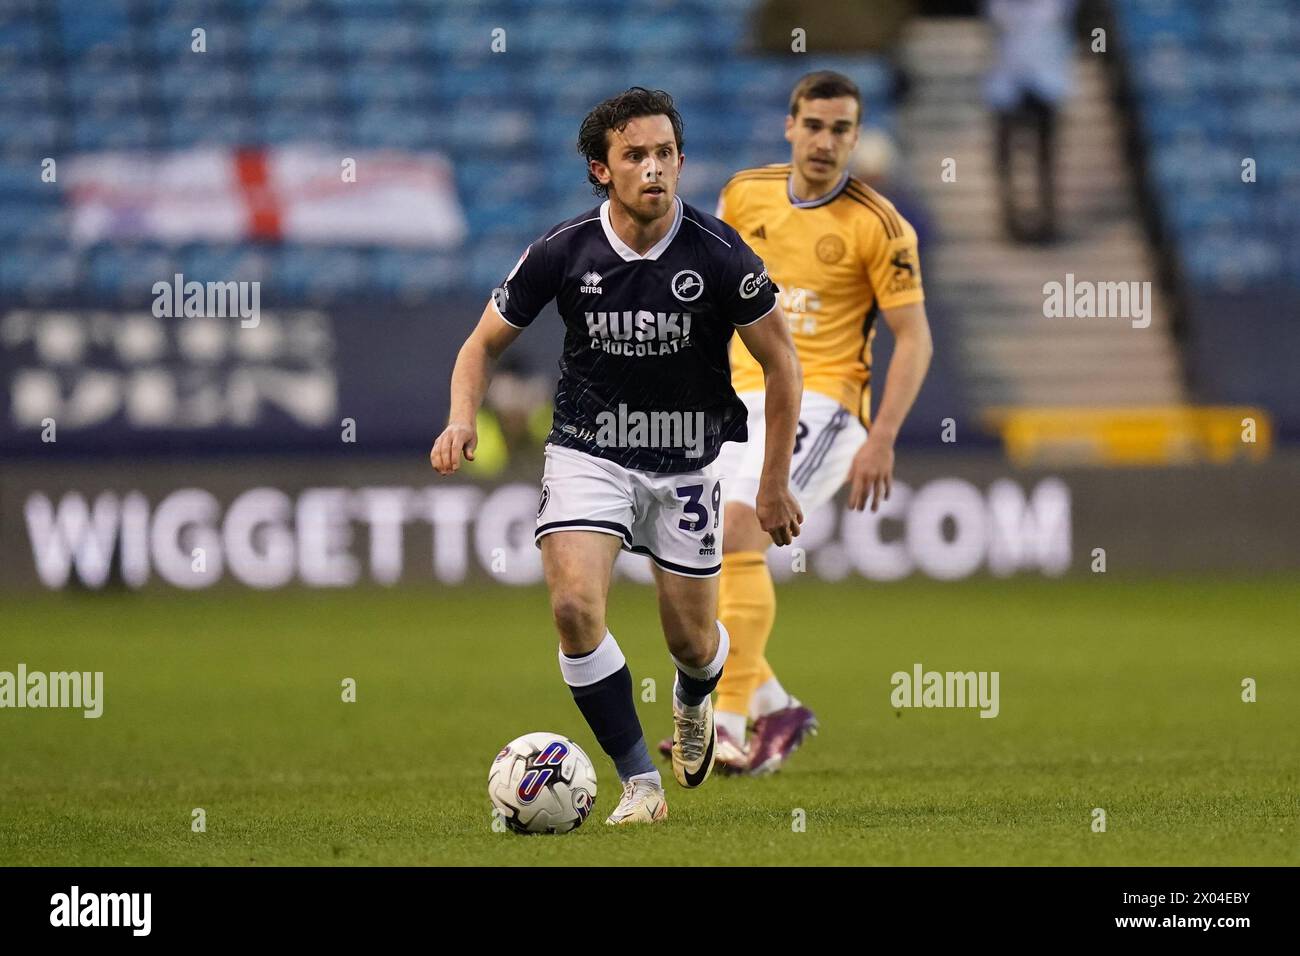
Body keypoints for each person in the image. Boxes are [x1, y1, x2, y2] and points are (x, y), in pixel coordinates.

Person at [431, 88, 803, 824]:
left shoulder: (720, 255)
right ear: (601, 169)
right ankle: (641, 782)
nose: (653, 167)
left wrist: (773, 484)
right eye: (635, 154)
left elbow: (783, 363)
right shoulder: (563, 249)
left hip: (685, 465)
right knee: (573, 607)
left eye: (665, 153)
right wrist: (459, 418)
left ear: (681, 161)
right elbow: (481, 343)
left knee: (692, 643)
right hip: (588, 451)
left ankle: (696, 696)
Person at [660, 71, 933, 775]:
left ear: (856, 137)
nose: (825, 141)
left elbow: (916, 338)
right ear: (791, 126)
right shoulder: (744, 194)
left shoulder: (881, 226)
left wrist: (883, 435)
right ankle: (776, 708)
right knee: (692, 557)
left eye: (841, 129)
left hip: (827, 404)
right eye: (813, 125)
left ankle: (720, 721)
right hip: (738, 397)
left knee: (740, 530)